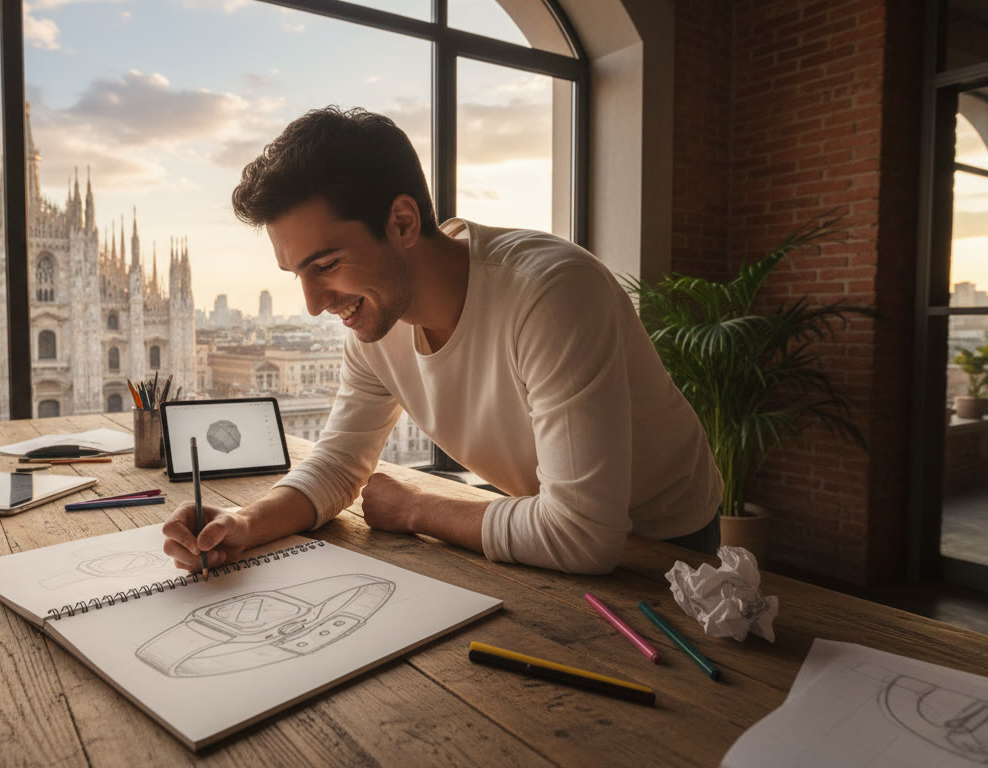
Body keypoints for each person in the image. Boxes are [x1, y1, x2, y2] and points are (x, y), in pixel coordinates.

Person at [162, 106, 722, 575]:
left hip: (662, 542)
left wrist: (417, 508)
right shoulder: (375, 320)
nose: (313, 303)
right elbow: (338, 464)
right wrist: (244, 523)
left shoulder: (550, 295)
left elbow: (581, 534)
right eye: (298, 275)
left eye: (327, 265)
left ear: (403, 222)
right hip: (545, 522)